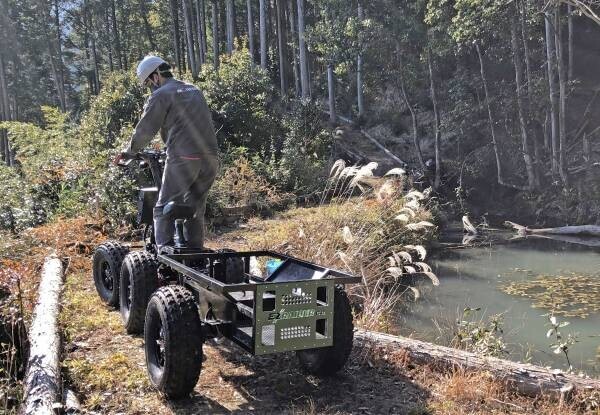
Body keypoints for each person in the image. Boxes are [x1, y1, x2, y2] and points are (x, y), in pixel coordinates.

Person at [115, 55, 219, 251]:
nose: (150, 88)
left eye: (148, 83)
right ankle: (194, 255)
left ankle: (164, 257)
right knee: (194, 208)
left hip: (184, 157)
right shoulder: (194, 90)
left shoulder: (161, 94)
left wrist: (128, 152)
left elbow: (145, 130)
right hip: (211, 158)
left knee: (162, 208)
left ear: (155, 77)